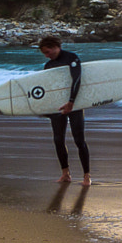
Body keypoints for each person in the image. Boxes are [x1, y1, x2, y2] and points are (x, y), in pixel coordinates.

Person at [37, 35, 90, 185]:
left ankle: (86, 176)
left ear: (56, 46)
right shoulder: (48, 66)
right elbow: (49, 89)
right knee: (58, 140)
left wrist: (71, 102)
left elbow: (77, 80)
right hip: (57, 106)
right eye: (45, 54)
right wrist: (45, 109)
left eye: (48, 52)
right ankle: (65, 174)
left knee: (79, 140)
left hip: (75, 104)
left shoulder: (71, 58)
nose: (47, 56)